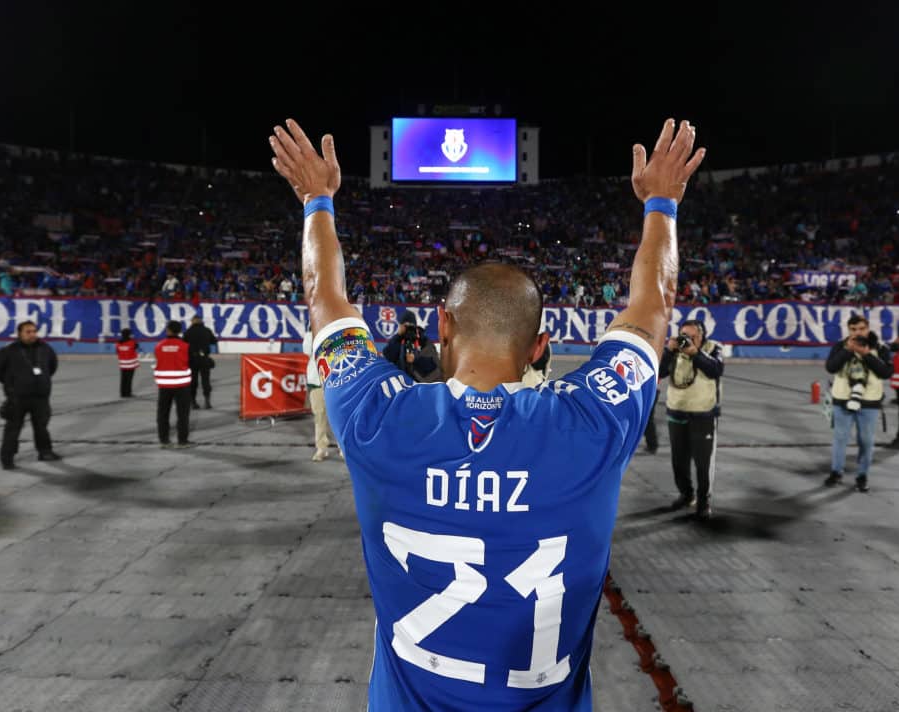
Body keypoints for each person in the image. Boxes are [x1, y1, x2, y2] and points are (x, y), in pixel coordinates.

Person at [270, 115, 704, 710]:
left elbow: (324, 296)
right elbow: (654, 305)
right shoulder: (590, 424)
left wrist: (317, 198)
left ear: (442, 324)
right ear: (539, 344)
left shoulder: (376, 418)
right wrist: (662, 202)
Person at [659, 319, 724, 518]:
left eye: (692, 336)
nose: (687, 340)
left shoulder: (713, 348)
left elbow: (716, 370)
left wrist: (695, 352)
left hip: (702, 414)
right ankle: (686, 495)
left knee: (703, 464)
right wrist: (669, 351)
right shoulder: (674, 350)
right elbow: (659, 372)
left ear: (701, 336)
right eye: (684, 335)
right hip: (677, 411)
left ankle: (703, 502)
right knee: (679, 461)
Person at [824, 314, 893, 491]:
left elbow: (886, 372)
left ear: (868, 328)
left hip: (869, 401)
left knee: (866, 441)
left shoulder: (879, 347)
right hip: (842, 399)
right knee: (840, 439)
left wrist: (866, 354)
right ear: (848, 330)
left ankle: (862, 476)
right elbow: (831, 367)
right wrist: (847, 350)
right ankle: (836, 472)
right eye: (853, 329)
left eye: (861, 328)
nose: (857, 332)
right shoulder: (840, 346)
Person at [0, 321, 61, 469]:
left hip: (40, 397)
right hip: (17, 398)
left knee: (41, 427)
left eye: (34, 331)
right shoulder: (8, 351)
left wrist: (42, 381)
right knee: (13, 429)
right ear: (19, 333)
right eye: (28, 332)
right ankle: (7, 458)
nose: (32, 334)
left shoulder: (45, 349)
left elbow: (52, 366)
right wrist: (11, 383)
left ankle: (45, 452)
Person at [302, 328, 340, 462]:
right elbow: (307, 350)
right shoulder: (311, 332)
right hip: (316, 381)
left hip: (334, 381)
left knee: (338, 417)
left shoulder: (335, 330)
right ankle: (321, 448)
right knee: (319, 416)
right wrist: (309, 331)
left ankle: (343, 448)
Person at [153, 321, 193, 448]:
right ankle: (182, 441)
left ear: (168, 330)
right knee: (183, 414)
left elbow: (159, 361)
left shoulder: (159, 346)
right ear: (179, 331)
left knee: (163, 413)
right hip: (182, 384)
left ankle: (164, 440)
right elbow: (190, 362)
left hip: (164, 385)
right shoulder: (185, 346)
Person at [382, 311, 442, 383]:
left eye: (411, 326)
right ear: (401, 326)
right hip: (401, 382)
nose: (409, 329)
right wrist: (398, 336)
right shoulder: (398, 341)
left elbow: (433, 365)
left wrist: (416, 360)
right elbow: (388, 357)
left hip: (420, 384)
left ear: (415, 326)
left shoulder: (423, 341)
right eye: (406, 326)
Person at [184, 316, 218, 409]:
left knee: (193, 382)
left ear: (192, 322)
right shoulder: (207, 330)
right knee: (206, 381)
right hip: (204, 358)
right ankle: (207, 402)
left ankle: (193, 402)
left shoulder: (188, 331)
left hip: (192, 359)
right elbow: (214, 341)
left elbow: (184, 343)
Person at [115, 327, 141, 397]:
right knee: (129, 379)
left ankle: (122, 393)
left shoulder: (118, 343)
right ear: (129, 335)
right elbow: (137, 347)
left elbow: (117, 352)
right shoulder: (133, 343)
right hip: (131, 364)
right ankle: (128, 393)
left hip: (122, 364)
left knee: (123, 379)